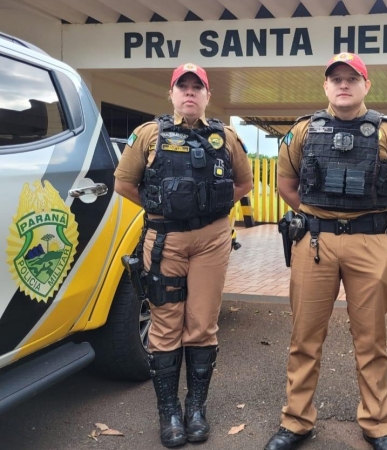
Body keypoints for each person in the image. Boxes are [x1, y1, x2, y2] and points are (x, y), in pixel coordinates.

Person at [264, 52, 387, 450]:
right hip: (315, 241)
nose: (344, 84)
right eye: (336, 78)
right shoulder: (302, 131)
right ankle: (296, 420)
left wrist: (369, 226)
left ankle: (377, 423)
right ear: (326, 86)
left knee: (371, 339)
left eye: (353, 78)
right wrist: (321, 219)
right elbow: (286, 184)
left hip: (371, 241)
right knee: (305, 336)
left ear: (366, 85)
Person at [114, 63, 253, 448]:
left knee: (202, 324)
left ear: (207, 95)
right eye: (183, 87)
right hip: (164, 240)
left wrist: (208, 203)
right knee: (165, 325)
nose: (190, 93)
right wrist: (161, 204)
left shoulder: (225, 136)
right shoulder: (148, 134)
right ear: (171, 94)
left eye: (198, 87)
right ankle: (169, 412)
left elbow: (245, 183)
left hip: (211, 239)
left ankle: (195, 407)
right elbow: (124, 183)